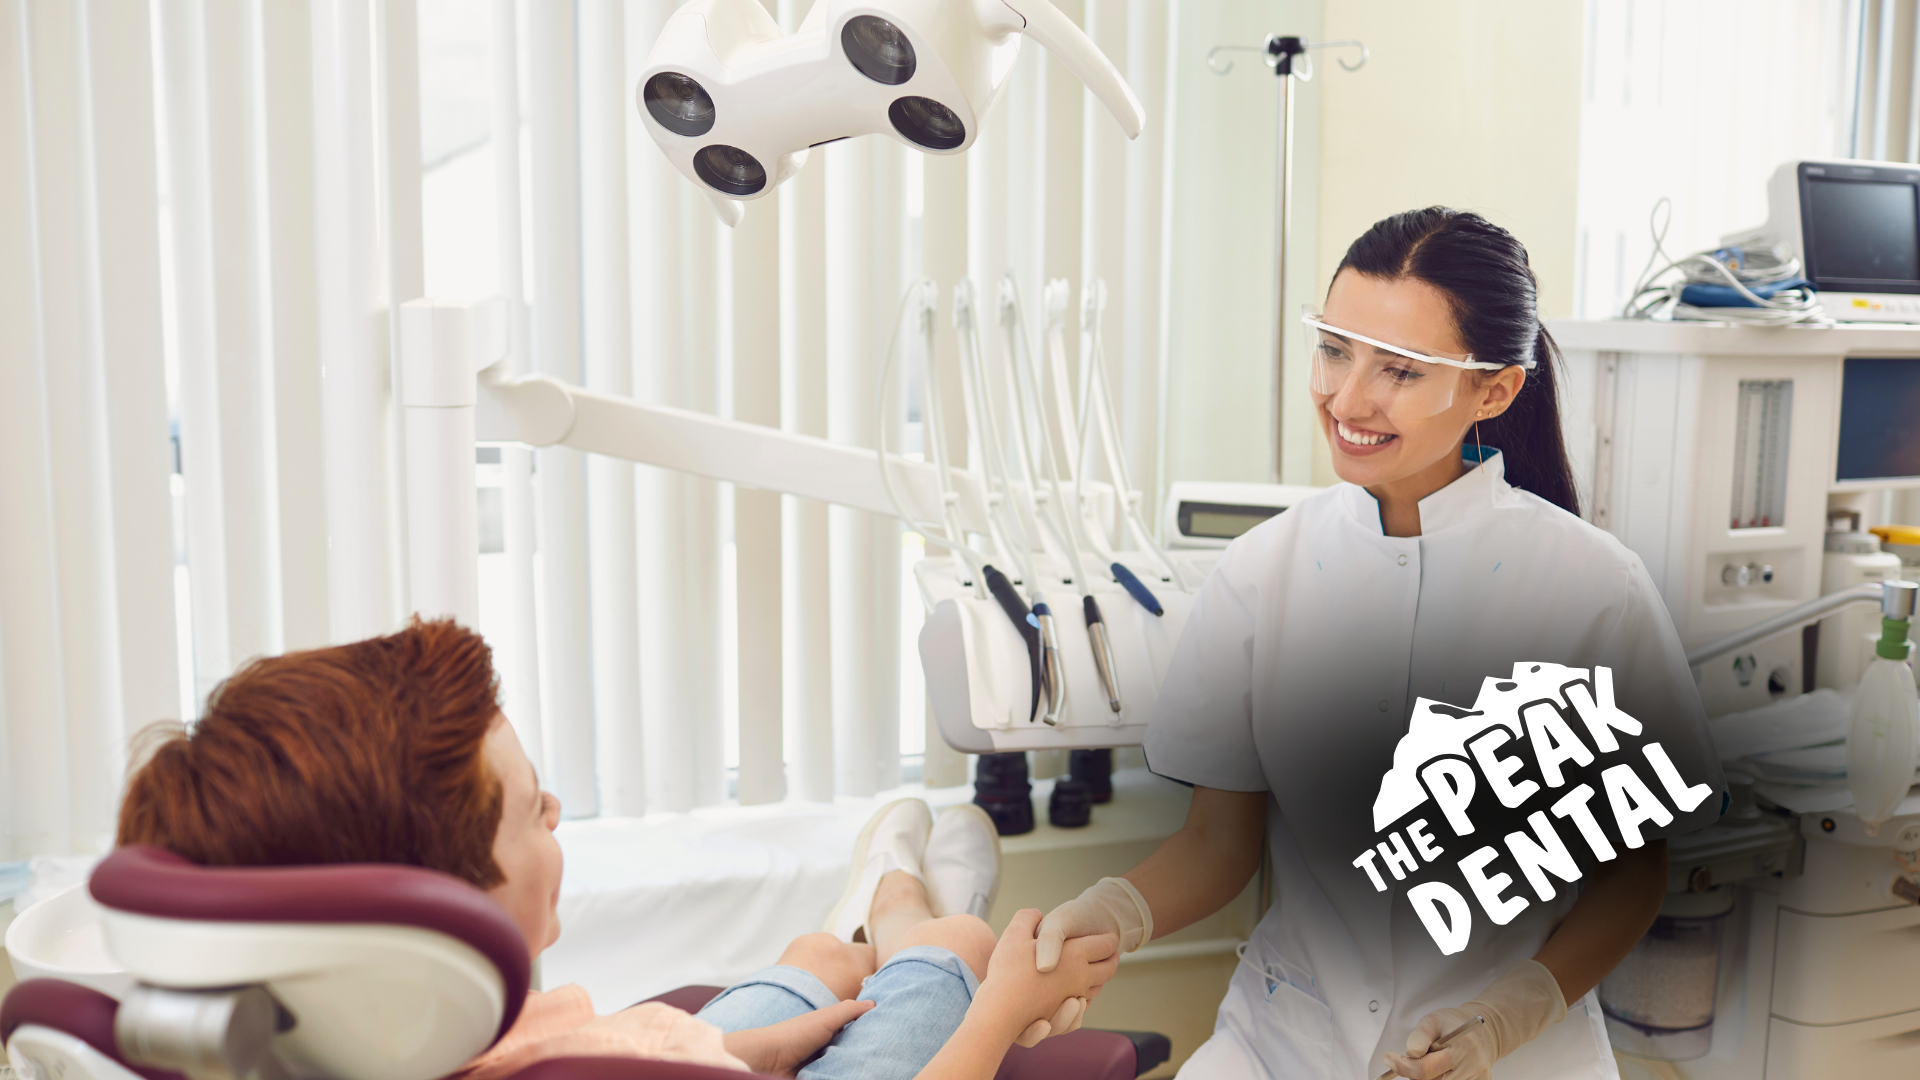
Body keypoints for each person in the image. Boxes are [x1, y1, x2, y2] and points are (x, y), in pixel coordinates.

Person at [1026, 208, 1723, 1079]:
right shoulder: (1258, 575)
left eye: (1399, 370)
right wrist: (1113, 911)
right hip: (1282, 1045)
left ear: (1494, 391)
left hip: (1514, 1059)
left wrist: (1517, 1010)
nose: (1348, 400)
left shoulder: (1592, 594)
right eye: (1334, 351)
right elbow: (1218, 845)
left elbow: (1633, 877)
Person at [115, 619, 1118, 1080]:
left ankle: (869, 921)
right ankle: (914, 912)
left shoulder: (349, 1046)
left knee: (813, 966)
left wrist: (729, 1051)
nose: (554, 808)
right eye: (525, 811)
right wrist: (1001, 1015)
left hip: (674, 1055)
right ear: (430, 915)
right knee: (955, 959)